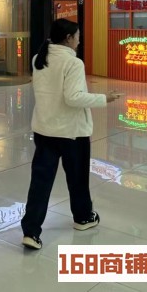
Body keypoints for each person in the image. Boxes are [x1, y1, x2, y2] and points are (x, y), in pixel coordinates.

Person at [21, 19, 121, 251]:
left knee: (40, 182)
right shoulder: (73, 63)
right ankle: (83, 218)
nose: (79, 41)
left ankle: (31, 232)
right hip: (71, 133)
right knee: (77, 179)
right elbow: (73, 98)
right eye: (77, 37)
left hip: (45, 130)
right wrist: (104, 98)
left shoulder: (39, 58)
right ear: (68, 38)